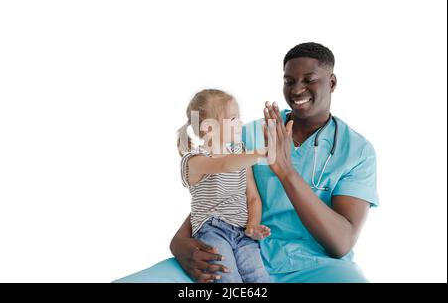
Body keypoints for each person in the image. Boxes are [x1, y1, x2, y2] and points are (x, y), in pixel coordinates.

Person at [114, 42, 378, 283]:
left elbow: (341, 243)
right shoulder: (250, 135)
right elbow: (217, 190)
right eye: (289, 80)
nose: (297, 89)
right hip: (233, 250)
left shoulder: (356, 151)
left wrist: (285, 170)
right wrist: (179, 243)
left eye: (309, 80)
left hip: (313, 266)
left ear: (331, 82)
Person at [175, 89, 271, 282]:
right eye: (233, 118)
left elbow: (252, 197)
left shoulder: (240, 152)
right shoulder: (195, 160)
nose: (240, 123)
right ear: (209, 128)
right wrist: (263, 152)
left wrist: (252, 225)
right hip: (212, 230)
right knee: (228, 278)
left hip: (243, 233)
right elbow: (222, 164)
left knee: (260, 279)